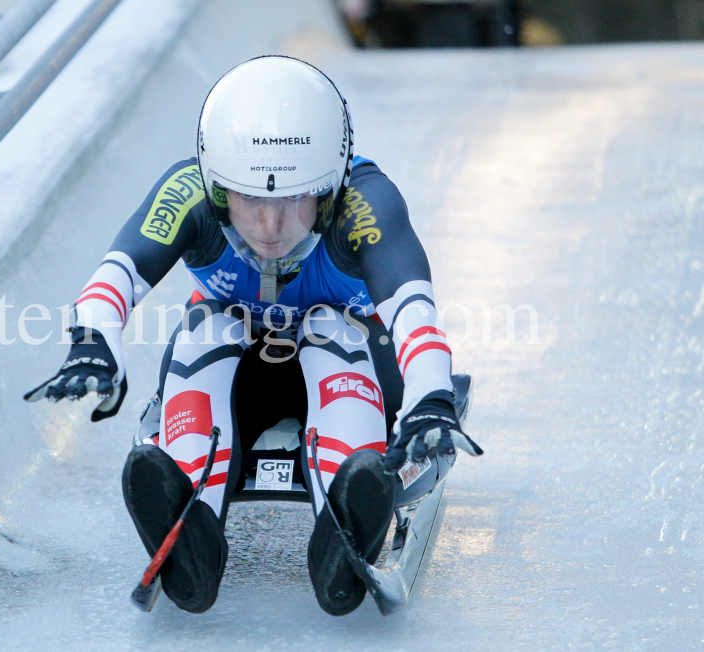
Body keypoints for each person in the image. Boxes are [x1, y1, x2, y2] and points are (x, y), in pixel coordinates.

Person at [25, 56, 482, 616]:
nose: (270, 228)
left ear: (330, 188)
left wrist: (431, 396)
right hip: (235, 373)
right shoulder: (187, 190)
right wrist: (93, 340)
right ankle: (192, 527)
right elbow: (118, 272)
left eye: (293, 199)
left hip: (359, 366)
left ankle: (345, 516)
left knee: (328, 326)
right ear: (217, 189)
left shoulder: (366, 202)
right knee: (206, 327)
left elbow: (412, 309)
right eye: (248, 199)